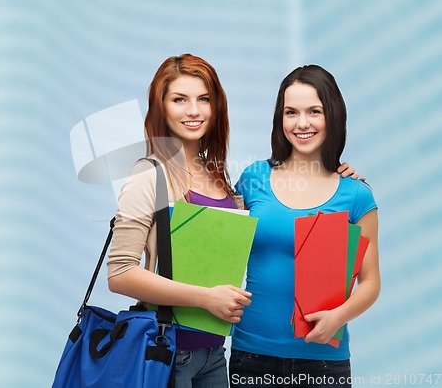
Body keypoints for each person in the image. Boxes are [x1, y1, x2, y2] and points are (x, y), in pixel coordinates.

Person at [107, 55, 360, 388]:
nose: (193, 111)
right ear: (161, 108)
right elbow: (120, 273)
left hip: (215, 355)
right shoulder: (148, 176)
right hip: (167, 352)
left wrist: (335, 175)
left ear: (217, 107)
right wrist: (205, 298)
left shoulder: (221, 178)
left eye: (204, 99)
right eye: (179, 100)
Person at [229, 65, 380, 388]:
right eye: (290, 112)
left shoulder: (356, 195)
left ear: (333, 116)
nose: (302, 123)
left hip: (324, 361)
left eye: (314, 111)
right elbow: (221, 248)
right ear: (279, 119)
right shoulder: (253, 179)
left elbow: (370, 282)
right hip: (249, 356)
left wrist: (338, 317)